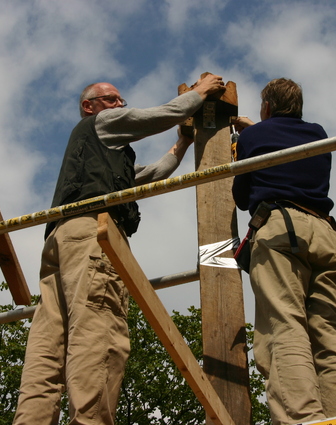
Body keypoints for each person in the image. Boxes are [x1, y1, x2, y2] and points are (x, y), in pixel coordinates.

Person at [13, 74, 225, 425]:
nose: (120, 105)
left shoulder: (103, 158)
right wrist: (200, 94)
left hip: (61, 240)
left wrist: (183, 144)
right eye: (112, 99)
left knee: (49, 345)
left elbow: (155, 172)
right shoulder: (102, 123)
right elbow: (154, 116)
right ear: (89, 107)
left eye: (120, 100)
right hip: (91, 236)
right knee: (99, 331)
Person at [232, 78, 336, 425]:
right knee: (330, 338)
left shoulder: (251, 138)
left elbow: (242, 196)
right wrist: (258, 131)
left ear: (266, 107)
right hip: (327, 235)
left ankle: (302, 419)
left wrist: (246, 138)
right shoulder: (318, 134)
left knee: (286, 327)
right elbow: (284, 142)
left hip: (280, 227)